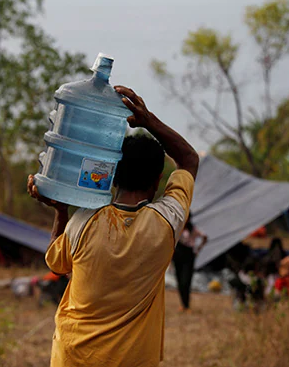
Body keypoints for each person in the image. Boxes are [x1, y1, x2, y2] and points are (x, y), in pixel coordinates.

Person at [27, 85, 199, 366]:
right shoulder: (167, 222)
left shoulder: (83, 220)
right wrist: (148, 120)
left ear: (113, 175)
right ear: (158, 181)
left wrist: (61, 211)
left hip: (72, 357)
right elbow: (189, 159)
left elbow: (57, 265)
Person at [173, 212, 208, 312]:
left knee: (186, 281)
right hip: (177, 256)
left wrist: (198, 249)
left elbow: (204, 237)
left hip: (188, 256)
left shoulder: (192, 229)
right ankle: (183, 304)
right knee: (179, 281)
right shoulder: (177, 228)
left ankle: (187, 304)